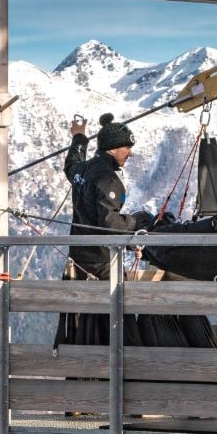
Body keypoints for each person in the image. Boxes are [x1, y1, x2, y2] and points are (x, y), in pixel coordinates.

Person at [54, 113, 152, 349]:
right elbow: (109, 225)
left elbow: (71, 163)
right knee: (120, 325)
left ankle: (87, 373)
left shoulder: (81, 171)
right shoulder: (108, 179)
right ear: (112, 149)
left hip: (78, 260)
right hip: (103, 264)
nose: (130, 153)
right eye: (127, 147)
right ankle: (126, 373)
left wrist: (79, 136)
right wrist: (137, 222)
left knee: (85, 326)